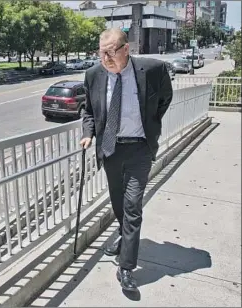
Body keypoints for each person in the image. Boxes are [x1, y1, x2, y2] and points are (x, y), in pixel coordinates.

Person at [80, 28, 173, 291]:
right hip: (110, 149)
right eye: (102, 52)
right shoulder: (93, 75)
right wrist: (88, 133)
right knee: (119, 203)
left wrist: (151, 123)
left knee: (133, 206)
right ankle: (123, 235)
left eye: (111, 52)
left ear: (126, 49)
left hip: (139, 150)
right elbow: (89, 111)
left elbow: (165, 98)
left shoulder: (153, 70)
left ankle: (126, 267)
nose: (106, 58)